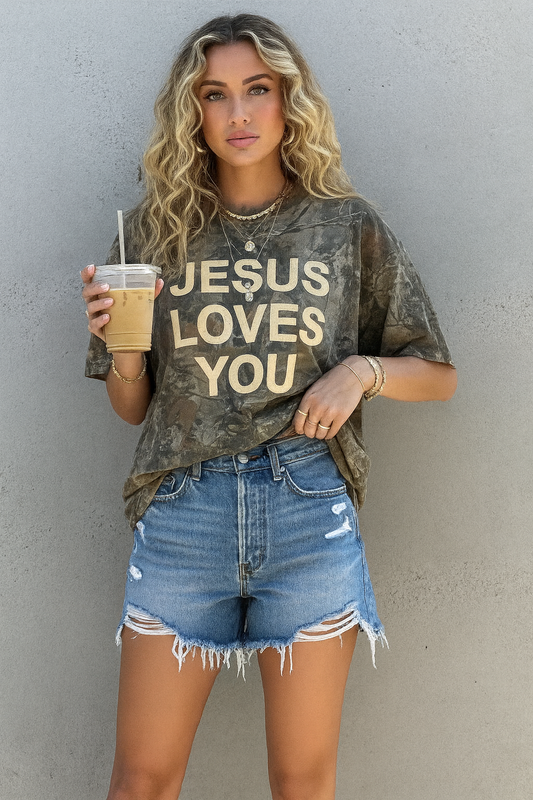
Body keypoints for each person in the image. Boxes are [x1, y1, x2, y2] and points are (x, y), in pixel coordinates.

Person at [82, 13, 456, 800]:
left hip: (307, 509)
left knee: (302, 783)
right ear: (194, 113)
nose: (238, 114)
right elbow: (131, 408)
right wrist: (122, 351)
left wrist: (358, 371)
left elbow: (435, 371)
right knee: (140, 781)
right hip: (185, 509)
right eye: (214, 95)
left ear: (289, 101)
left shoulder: (346, 225)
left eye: (257, 90)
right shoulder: (152, 231)